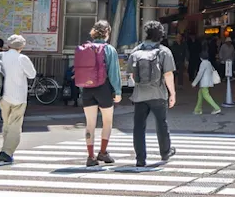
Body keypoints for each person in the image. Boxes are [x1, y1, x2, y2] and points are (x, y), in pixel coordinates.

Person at [129, 20, 177, 167]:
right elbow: (168, 75)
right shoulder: (164, 51)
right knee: (161, 123)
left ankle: (140, 159)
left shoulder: (136, 51)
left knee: (138, 126)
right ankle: (165, 152)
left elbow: (131, 75)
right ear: (161, 34)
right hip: (158, 93)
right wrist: (172, 93)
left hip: (140, 95)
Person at [0, 34, 36, 163]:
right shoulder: (23, 58)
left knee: (6, 123)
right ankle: (6, 152)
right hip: (19, 97)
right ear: (21, 46)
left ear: (8, 45)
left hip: (3, 95)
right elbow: (32, 74)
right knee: (15, 126)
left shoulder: (0, 56)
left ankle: (6, 148)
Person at [75, 20, 122, 167]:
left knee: (90, 124)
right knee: (107, 122)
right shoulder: (109, 50)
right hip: (104, 88)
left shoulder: (85, 48)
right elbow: (114, 74)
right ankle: (103, 152)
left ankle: (90, 156)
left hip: (87, 89)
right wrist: (118, 91)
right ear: (107, 32)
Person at [191, 49, 222, 115]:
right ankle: (197, 109)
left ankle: (216, 108)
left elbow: (200, 74)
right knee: (200, 95)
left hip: (204, 83)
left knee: (206, 95)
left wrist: (194, 83)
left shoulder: (203, 63)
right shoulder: (209, 63)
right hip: (208, 82)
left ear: (200, 57)